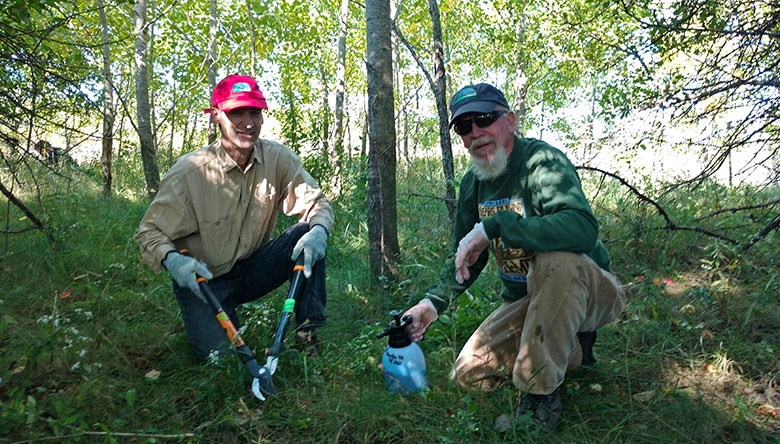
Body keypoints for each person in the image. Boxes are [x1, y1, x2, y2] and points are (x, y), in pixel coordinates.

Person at [403, 83, 626, 431]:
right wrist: (431, 304)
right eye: (464, 126)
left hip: (589, 289)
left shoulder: (542, 162)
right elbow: (467, 256)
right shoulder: (473, 184)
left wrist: (494, 227)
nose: (476, 132)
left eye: (485, 119)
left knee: (556, 261)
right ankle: (573, 351)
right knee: (467, 374)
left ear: (509, 120)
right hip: (529, 302)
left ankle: (539, 400)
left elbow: (582, 228)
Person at [134, 74, 334, 361]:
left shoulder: (277, 159)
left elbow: (317, 203)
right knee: (223, 362)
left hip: (251, 270)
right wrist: (174, 261)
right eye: (236, 113)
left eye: (254, 112)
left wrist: (318, 231)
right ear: (216, 116)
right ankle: (216, 323)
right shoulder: (190, 171)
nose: (248, 122)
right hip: (203, 282)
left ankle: (307, 335)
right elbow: (149, 232)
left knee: (309, 233)